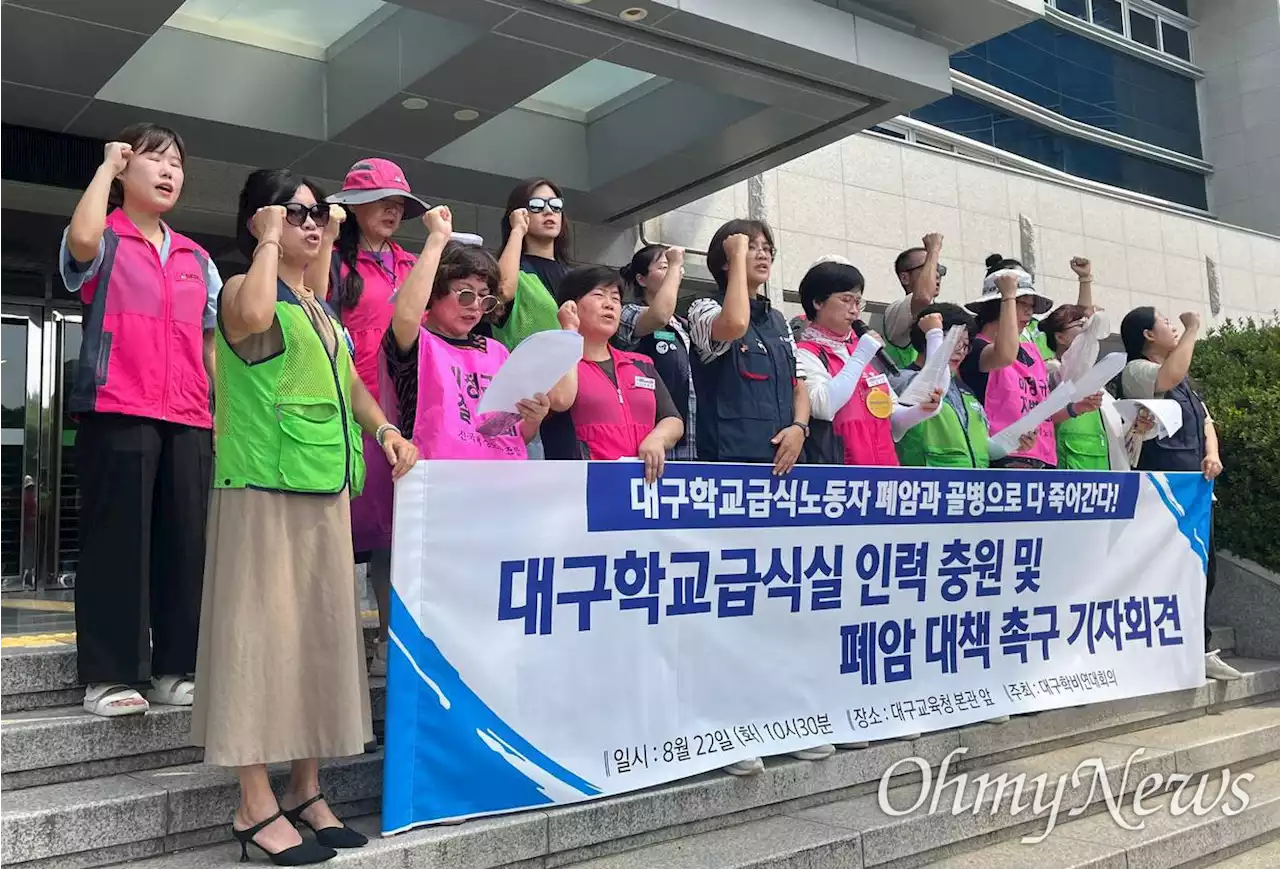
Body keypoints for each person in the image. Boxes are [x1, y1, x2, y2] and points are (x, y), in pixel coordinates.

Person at [191, 168, 419, 865]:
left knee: (319, 634)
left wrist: (384, 430)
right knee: (257, 637)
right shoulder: (240, 289)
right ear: (262, 219)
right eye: (295, 213)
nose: (312, 223)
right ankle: (253, 802)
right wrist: (264, 243)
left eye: (318, 213)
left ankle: (306, 788)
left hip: (322, 486)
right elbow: (254, 316)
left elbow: (350, 382)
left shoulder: (320, 309)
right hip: (260, 483)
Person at [60, 123, 219, 717]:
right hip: (116, 408)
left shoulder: (195, 258)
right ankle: (108, 676)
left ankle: (176, 669)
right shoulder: (107, 238)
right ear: (126, 169)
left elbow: (209, 344)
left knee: (184, 544)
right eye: (152, 159)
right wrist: (103, 169)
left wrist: (216, 414)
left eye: (176, 161)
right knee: (116, 543)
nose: (168, 170)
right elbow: (78, 242)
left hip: (186, 415)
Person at [305, 158, 429, 679]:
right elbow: (310, 309)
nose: (394, 209)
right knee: (343, 526)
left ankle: (386, 637)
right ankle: (324, 644)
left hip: (412, 407)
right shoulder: (333, 259)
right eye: (382, 199)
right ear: (352, 206)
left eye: (400, 201)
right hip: (349, 405)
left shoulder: (413, 261)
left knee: (397, 532)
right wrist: (327, 234)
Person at [1119, 306, 1241, 683]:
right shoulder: (1136, 370)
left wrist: (1212, 453)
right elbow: (1166, 377)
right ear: (1148, 335)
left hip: (1195, 489)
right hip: (1162, 491)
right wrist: (1192, 329)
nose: (1174, 328)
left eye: (1176, 324)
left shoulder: (1188, 383)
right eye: (1166, 324)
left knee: (1203, 570)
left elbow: (1205, 421)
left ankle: (1199, 648)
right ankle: (1165, 649)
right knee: (1165, 568)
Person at [381, 208, 556, 458]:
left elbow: (508, 434)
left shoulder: (497, 352)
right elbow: (406, 314)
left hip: (499, 481)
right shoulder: (418, 342)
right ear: (435, 290)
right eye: (465, 294)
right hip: (435, 479)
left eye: (485, 298)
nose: (475, 305)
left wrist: (532, 419)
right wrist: (437, 238)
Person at [687, 220, 810, 478]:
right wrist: (736, 256)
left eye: (767, 248)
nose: (763, 254)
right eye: (751, 247)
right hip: (730, 462)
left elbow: (798, 386)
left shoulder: (778, 320)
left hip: (786, 461)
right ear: (726, 260)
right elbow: (735, 324)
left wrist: (799, 427)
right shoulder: (704, 308)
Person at [959, 255, 1101, 469]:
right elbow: (1004, 355)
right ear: (997, 304)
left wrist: (1076, 408)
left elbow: (1041, 411)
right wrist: (1008, 297)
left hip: (1042, 458)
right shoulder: (978, 348)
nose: (1029, 311)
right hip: (1003, 461)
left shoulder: (1033, 351)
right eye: (1021, 303)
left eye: (1031, 305)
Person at [793, 259, 940, 466]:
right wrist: (861, 355)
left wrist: (920, 410)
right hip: (841, 474)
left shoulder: (862, 350)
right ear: (818, 302)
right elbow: (823, 406)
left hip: (884, 470)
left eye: (858, 302)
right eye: (846, 300)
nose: (854, 310)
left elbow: (891, 414)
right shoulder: (805, 353)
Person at [542, 266, 682, 479]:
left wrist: (658, 438)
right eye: (598, 295)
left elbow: (672, 419)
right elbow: (560, 400)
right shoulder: (555, 361)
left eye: (616, 299)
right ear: (571, 306)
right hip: (579, 488)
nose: (610, 304)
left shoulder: (640, 364)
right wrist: (569, 333)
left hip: (640, 486)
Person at [616, 243, 698, 460]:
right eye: (664, 267)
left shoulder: (683, 324)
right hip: (649, 438)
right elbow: (659, 315)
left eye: (674, 268)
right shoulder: (627, 313)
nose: (674, 272)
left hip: (687, 437)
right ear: (641, 279)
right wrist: (676, 262)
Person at [494, 178, 572, 352]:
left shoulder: (574, 277)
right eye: (536, 205)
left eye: (555, 205)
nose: (548, 211)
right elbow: (502, 291)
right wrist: (517, 230)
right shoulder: (514, 271)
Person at [880, 233, 946, 368]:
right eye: (928, 266)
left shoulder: (942, 312)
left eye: (938, 268)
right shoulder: (896, 310)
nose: (937, 274)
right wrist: (933, 249)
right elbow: (923, 297)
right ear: (904, 278)